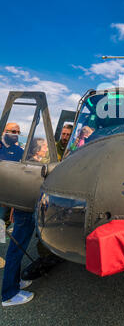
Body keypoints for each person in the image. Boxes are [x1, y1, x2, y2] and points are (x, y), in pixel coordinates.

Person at [21, 125, 73, 281]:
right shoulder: (52, 149)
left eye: (67, 134)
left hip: (68, 193)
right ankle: (46, 257)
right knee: (45, 227)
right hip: (52, 193)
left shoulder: (75, 149)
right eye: (63, 134)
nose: (64, 137)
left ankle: (61, 250)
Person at [0, 122, 35, 306]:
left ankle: (14, 281)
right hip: (2, 202)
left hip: (15, 202)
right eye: (12, 131)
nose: (15, 134)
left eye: (18, 132)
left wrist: (14, 204)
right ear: (4, 131)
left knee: (16, 245)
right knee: (9, 244)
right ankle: (8, 294)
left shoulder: (18, 150)